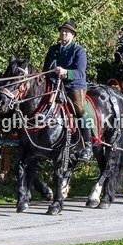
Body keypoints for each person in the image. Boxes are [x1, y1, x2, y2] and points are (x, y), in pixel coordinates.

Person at [44, 20, 94, 159]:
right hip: (54, 86)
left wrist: (66, 72)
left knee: (80, 110)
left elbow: (81, 73)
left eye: (67, 31)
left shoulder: (79, 51)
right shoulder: (53, 50)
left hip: (73, 86)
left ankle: (88, 145)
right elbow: (45, 70)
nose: (64, 33)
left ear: (73, 35)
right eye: (62, 30)